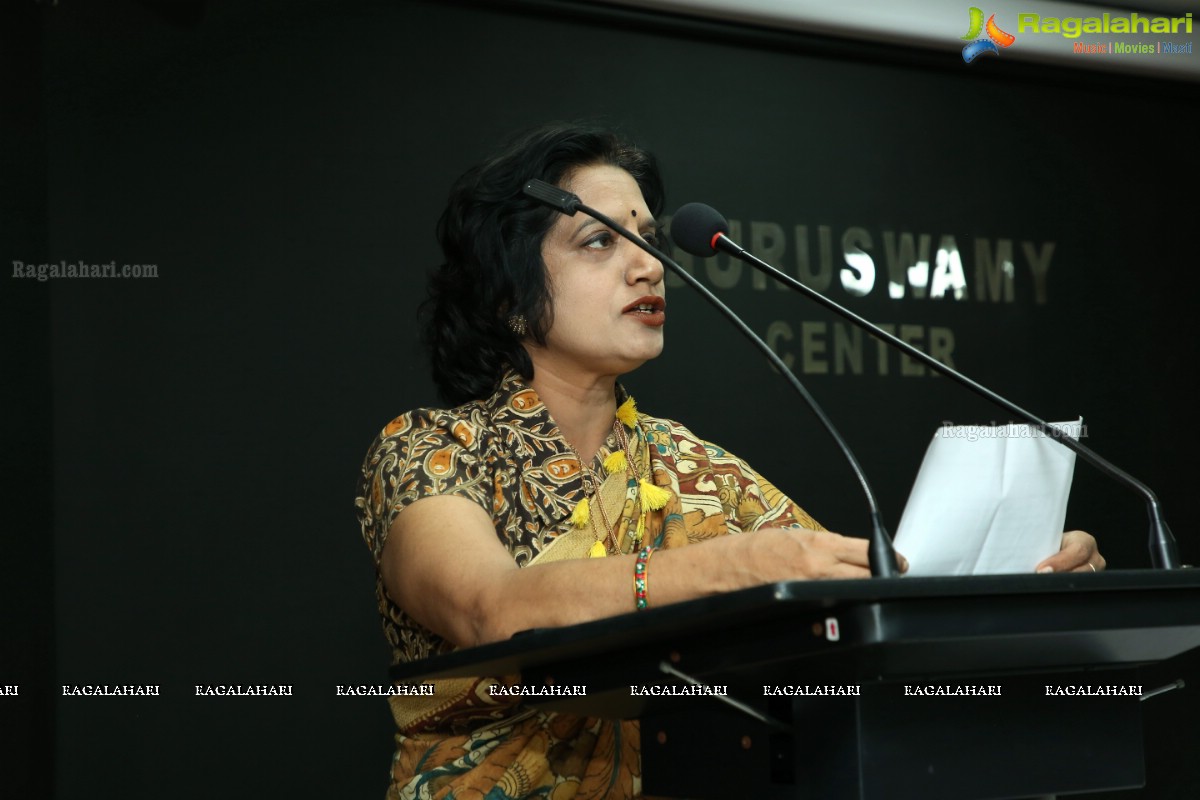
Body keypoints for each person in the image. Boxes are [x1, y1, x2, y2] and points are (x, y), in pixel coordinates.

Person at [354, 123, 1104, 800]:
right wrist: (737, 566)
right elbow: (493, 611)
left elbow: (866, 594)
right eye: (599, 241)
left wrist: (1021, 580)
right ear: (508, 298)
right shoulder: (431, 449)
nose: (648, 268)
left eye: (648, 240)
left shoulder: (689, 466)